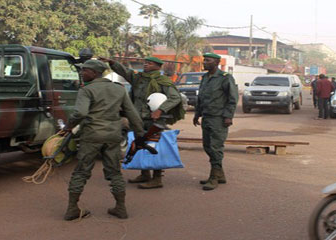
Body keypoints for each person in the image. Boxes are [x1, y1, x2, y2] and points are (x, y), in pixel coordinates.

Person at [63, 60, 145, 220]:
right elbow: (132, 113)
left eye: (85, 70)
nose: (81, 73)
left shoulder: (87, 90)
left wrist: (68, 126)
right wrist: (140, 133)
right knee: (114, 172)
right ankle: (120, 208)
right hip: (113, 135)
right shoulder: (118, 90)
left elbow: (80, 113)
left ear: (94, 73)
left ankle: (72, 208)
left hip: (91, 136)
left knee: (81, 171)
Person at [99, 56, 184, 189]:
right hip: (138, 119)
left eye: (149, 63)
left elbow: (175, 97)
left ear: (158, 66)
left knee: (154, 147)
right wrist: (112, 62)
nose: (146, 65)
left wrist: (160, 110)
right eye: (145, 63)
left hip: (154, 120)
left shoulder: (162, 81)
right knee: (139, 145)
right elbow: (125, 72)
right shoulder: (138, 78)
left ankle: (157, 178)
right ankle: (145, 174)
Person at [193, 52, 238, 191]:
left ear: (217, 63)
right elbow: (201, 97)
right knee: (207, 146)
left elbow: (232, 98)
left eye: (208, 60)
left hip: (219, 119)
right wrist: (197, 114)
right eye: (204, 60)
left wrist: (228, 116)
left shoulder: (225, 78)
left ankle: (214, 177)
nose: (204, 62)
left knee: (215, 147)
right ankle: (220, 174)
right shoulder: (205, 77)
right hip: (207, 117)